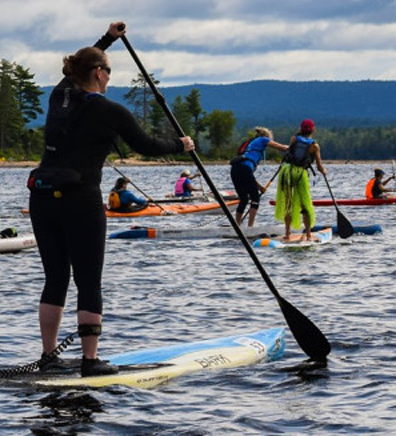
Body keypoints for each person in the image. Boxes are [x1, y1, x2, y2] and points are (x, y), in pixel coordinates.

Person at [27, 21, 193, 377]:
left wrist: (107, 40)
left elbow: (79, 65)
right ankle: (90, 360)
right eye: (108, 72)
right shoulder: (110, 110)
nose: (110, 78)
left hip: (41, 197)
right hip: (80, 200)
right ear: (100, 74)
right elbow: (147, 146)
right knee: (89, 280)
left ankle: (48, 357)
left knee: (55, 277)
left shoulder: (60, 96)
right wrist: (181, 145)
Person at [274, 119, 326, 242]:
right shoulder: (314, 146)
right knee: (305, 204)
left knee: (288, 202)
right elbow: (319, 167)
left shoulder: (294, 139)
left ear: (301, 128)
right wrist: (324, 172)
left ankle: (287, 234)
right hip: (300, 174)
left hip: (287, 172)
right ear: (313, 130)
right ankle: (308, 235)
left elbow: (289, 153)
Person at [230, 127, 289, 226]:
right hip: (244, 169)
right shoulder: (263, 139)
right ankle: (250, 227)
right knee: (255, 198)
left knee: (244, 199)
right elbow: (282, 148)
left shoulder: (251, 144)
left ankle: (236, 226)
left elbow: (249, 176)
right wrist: (296, 147)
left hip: (235, 169)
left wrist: (260, 187)